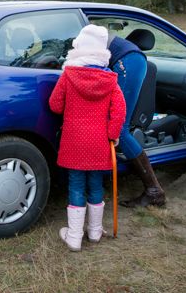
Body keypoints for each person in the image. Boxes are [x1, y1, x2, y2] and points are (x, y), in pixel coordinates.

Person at [49, 24, 126, 251]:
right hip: (99, 142)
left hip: (74, 141)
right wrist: (113, 135)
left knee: (75, 185)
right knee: (95, 184)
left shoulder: (69, 75)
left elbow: (55, 105)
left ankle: (74, 236)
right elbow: (119, 111)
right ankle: (94, 232)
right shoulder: (110, 80)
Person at [108, 33, 166, 207]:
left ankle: (154, 191)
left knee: (119, 129)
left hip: (129, 61)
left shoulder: (65, 29)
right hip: (124, 60)